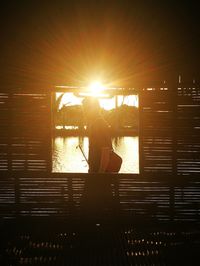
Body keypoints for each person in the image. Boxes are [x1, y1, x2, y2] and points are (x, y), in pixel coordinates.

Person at [82, 97, 112, 173]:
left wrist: (100, 174)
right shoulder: (95, 124)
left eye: (86, 108)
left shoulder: (99, 124)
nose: (84, 112)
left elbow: (105, 151)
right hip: (94, 171)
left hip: (99, 174)